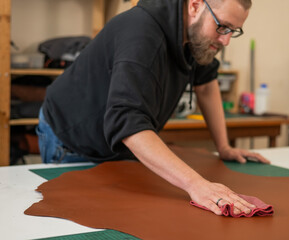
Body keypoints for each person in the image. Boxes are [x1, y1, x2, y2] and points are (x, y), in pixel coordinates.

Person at [37, 0, 270, 216]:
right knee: (82, 218)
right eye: (222, 26)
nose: (225, 40)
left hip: (118, 145)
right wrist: (196, 185)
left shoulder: (194, 36)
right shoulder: (142, 33)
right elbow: (127, 123)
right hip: (73, 138)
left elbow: (206, 84)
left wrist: (224, 146)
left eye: (233, 31)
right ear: (195, 6)